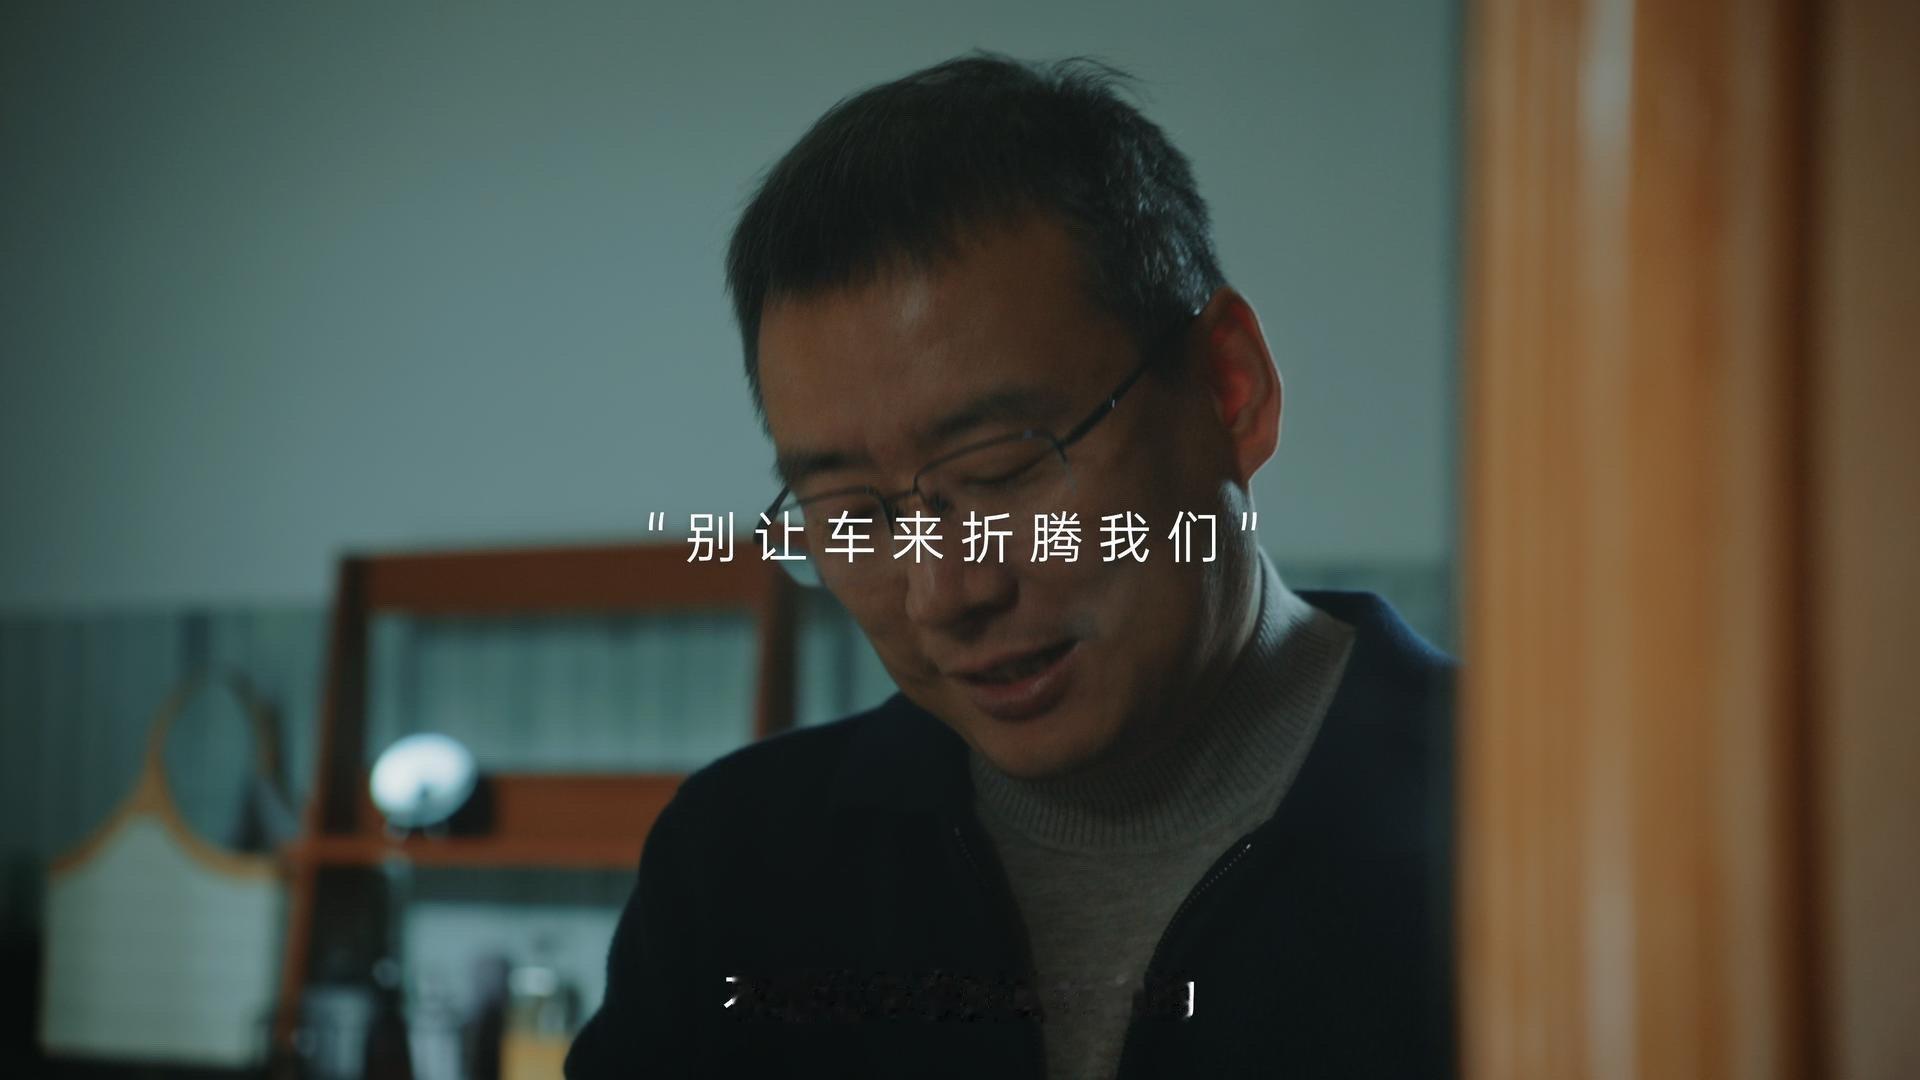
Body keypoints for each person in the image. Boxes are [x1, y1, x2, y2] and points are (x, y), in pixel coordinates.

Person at [567, 53, 1455, 1079]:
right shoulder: (738, 868)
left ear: (1230, 388)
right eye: (851, 514)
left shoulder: (1529, 824)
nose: (944, 592)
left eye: (999, 471)